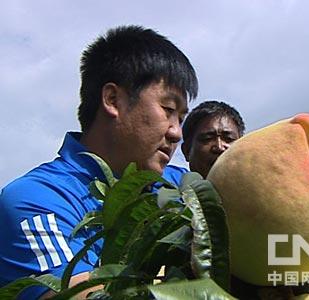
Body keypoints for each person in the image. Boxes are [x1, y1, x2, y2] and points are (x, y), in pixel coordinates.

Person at [0, 25, 198, 299]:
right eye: (168, 110)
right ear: (113, 99)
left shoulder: (181, 187)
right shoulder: (36, 199)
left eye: (182, 118)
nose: (176, 132)